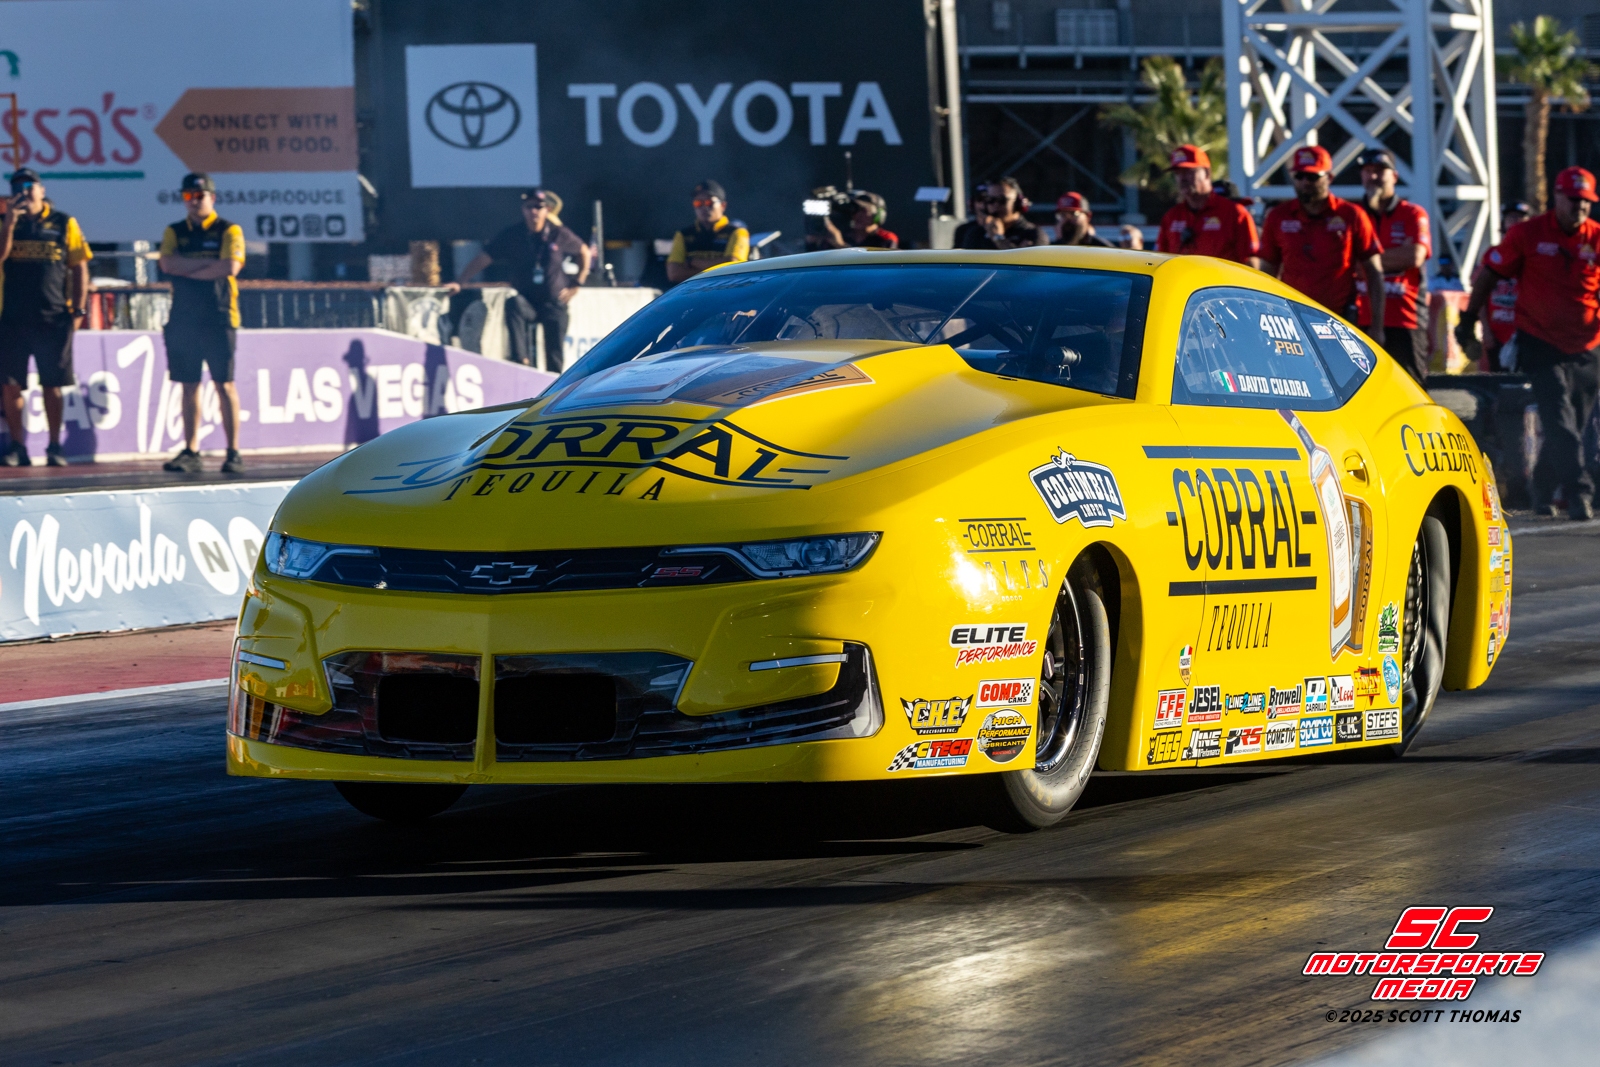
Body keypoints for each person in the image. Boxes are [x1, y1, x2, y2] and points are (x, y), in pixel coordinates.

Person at [1457, 167, 1600, 520]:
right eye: (1573, 199)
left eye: (1586, 201)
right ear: (1557, 197)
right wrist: (1468, 320)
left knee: (1572, 424)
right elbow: (1489, 275)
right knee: (1558, 415)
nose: (1580, 207)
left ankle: (1542, 487)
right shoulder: (1527, 234)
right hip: (1540, 340)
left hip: (1587, 344)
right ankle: (1579, 493)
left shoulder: (1596, 238)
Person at [0, 168, 91, 467]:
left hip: (53, 318)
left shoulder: (64, 222)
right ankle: (18, 446)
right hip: (11, 318)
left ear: (41, 189)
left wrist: (78, 310)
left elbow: (79, 266)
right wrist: (9, 223)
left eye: (29, 186)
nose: (24, 192)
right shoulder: (4, 222)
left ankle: (54, 446)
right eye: (17, 188)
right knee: (11, 384)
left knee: (52, 384)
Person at [157, 173, 246, 474]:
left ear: (212, 197)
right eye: (188, 196)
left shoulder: (228, 229)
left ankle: (233, 451)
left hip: (220, 315)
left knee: (225, 384)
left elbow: (230, 266)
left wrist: (187, 269)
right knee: (188, 385)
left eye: (199, 196)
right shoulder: (175, 230)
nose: (194, 201)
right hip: (184, 316)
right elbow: (167, 264)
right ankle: (191, 450)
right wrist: (208, 267)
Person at [1258, 145, 1386, 346]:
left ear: (1329, 178)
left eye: (1312, 177)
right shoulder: (1278, 217)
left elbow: (1374, 272)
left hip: (1340, 320)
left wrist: (1377, 327)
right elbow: (1266, 272)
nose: (1305, 182)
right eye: (1299, 176)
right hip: (1291, 320)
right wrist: (1263, 317)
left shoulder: (1351, 215)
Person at [452, 188, 591, 372]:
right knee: (513, 304)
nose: (534, 211)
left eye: (538, 207)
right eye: (529, 207)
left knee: (554, 353)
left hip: (553, 301)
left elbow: (584, 251)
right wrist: (460, 281)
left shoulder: (558, 233)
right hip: (527, 300)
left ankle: (555, 380)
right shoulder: (513, 235)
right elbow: (484, 258)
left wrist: (577, 283)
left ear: (547, 210)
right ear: (523, 210)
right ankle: (521, 362)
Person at [1353, 148, 1432, 383]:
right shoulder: (1353, 215)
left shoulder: (1412, 213)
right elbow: (1342, 261)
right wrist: (1394, 256)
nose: (1373, 176)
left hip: (1405, 317)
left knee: (1409, 387)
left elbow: (1414, 256)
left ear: (1394, 176)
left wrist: (1364, 261)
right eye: (1367, 171)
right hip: (1360, 318)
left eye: (1379, 171)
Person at [1154, 145, 1259, 265]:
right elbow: (1158, 261)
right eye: (1177, 173)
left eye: (1188, 171)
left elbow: (1250, 263)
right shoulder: (1171, 217)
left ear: (1207, 173)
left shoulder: (1234, 213)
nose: (1182, 178)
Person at [1479, 202, 1532, 368]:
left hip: (1527, 335)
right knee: (1498, 380)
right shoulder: (1492, 254)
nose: (1516, 221)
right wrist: (1485, 331)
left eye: (1521, 217)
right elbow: (1480, 295)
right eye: (1511, 217)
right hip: (1496, 334)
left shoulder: (1536, 256)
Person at [666, 181, 750, 283]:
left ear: (723, 206)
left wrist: (693, 262)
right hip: (694, 291)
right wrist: (718, 267)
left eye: (709, 203)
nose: (704, 208)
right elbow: (674, 274)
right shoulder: (683, 235)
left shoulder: (737, 232)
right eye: (698, 203)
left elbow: (733, 267)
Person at [955, 179, 1046, 249]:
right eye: (990, 200)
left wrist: (998, 239)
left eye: (1002, 200)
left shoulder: (1033, 234)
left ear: (1018, 203)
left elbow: (1022, 265)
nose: (996, 205)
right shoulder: (976, 233)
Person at [814, 191, 900, 249]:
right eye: (854, 211)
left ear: (878, 215)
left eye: (863, 211)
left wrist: (840, 245)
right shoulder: (844, 236)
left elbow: (878, 264)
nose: (857, 215)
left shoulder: (886, 238)